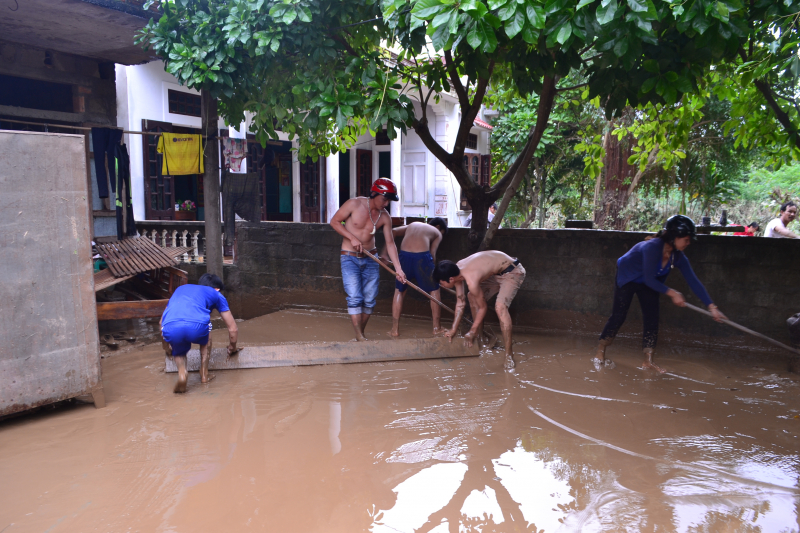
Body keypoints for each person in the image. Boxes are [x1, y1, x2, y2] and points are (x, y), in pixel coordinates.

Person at [593, 215, 725, 373]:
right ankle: (600, 350)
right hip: (629, 276)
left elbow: (693, 281)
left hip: (650, 281)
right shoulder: (652, 247)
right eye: (686, 239)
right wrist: (673, 293)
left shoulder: (678, 256)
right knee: (619, 315)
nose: (688, 243)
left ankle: (648, 361)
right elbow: (649, 279)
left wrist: (712, 306)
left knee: (652, 317)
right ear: (674, 236)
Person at [330, 178, 407, 341]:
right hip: (349, 257)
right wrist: (351, 237)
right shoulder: (354, 204)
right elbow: (334, 222)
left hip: (372, 259)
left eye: (389, 201)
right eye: (384, 199)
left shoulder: (384, 217)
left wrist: (399, 270)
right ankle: (360, 337)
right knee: (354, 297)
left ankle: (360, 336)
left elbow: (390, 244)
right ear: (374, 193)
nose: (386, 204)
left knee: (370, 300)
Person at [433, 251, 526, 371]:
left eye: (441, 283)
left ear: (450, 279)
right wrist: (453, 329)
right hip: (496, 273)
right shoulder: (456, 270)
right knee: (472, 296)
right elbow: (460, 303)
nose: (442, 285)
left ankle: (509, 354)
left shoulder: (471, 280)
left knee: (500, 307)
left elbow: (483, 307)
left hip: (513, 271)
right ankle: (481, 339)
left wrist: (472, 330)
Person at [161, 273, 239, 393]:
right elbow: (233, 329)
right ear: (217, 289)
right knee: (207, 329)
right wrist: (232, 347)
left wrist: (167, 347)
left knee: (179, 349)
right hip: (196, 326)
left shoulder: (180, 289)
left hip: (171, 326)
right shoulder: (216, 294)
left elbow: (162, 323)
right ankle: (204, 374)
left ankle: (182, 373)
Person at [389, 217, 448, 337]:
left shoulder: (413, 224)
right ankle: (436, 328)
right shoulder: (436, 232)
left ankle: (394, 330)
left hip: (404, 256)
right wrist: (434, 273)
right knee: (434, 289)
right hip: (422, 257)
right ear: (438, 227)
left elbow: (393, 231)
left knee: (399, 291)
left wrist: (386, 253)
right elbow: (432, 254)